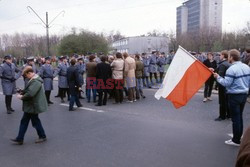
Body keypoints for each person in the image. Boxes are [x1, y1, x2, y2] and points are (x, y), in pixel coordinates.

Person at [214, 49, 250, 146]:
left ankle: (236, 140)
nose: (228, 58)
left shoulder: (232, 69)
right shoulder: (246, 67)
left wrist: (218, 77)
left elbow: (226, 83)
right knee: (239, 117)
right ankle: (239, 137)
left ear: (231, 57)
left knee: (235, 118)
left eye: (229, 56)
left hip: (234, 95)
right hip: (244, 95)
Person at [11, 66, 47, 145]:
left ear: (30, 73)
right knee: (28, 121)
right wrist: (23, 91)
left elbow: (31, 94)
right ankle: (20, 138)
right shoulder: (34, 80)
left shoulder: (36, 81)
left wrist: (22, 97)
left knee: (34, 122)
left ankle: (42, 136)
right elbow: (30, 90)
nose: (26, 77)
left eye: (26, 75)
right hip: (31, 105)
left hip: (33, 105)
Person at [214, 51, 231, 121]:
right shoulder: (228, 63)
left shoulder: (222, 65)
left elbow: (220, 76)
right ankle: (229, 115)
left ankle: (222, 116)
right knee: (227, 100)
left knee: (222, 101)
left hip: (222, 85)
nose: (219, 56)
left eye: (220, 55)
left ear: (223, 56)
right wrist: (214, 70)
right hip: (227, 85)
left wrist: (216, 85)